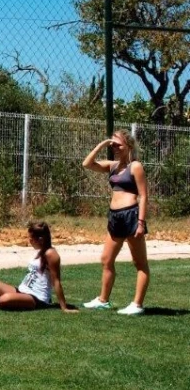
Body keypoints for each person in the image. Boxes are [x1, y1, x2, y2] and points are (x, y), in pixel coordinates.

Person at [81, 130, 149, 316]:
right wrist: (103, 144)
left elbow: (143, 196)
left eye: (118, 145)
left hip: (131, 216)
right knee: (106, 259)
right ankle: (103, 300)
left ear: (128, 146)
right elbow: (87, 164)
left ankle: (137, 304)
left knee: (140, 263)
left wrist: (141, 223)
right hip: (115, 217)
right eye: (113, 145)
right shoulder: (112, 166)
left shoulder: (136, 166)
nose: (115, 148)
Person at [0, 222, 75, 312]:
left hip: (37, 298)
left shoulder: (51, 254)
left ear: (41, 239)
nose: (29, 241)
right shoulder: (39, 251)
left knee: (4, 299)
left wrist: (64, 307)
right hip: (22, 290)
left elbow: (56, 281)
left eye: (31, 238)